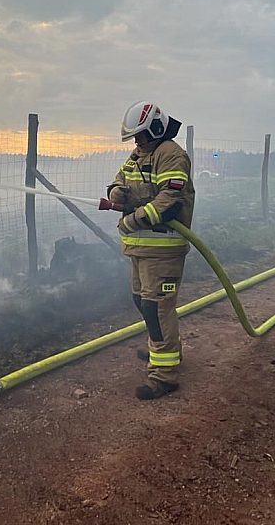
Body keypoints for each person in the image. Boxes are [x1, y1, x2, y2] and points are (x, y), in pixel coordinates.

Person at [106, 101, 195, 400]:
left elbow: (170, 199)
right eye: (135, 137)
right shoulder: (139, 153)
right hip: (141, 248)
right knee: (142, 301)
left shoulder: (171, 154)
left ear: (156, 128)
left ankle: (164, 375)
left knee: (156, 308)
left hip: (164, 249)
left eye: (141, 135)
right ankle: (163, 350)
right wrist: (116, 192)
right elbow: (121, 179)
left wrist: (132, 220)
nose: (137, 141)